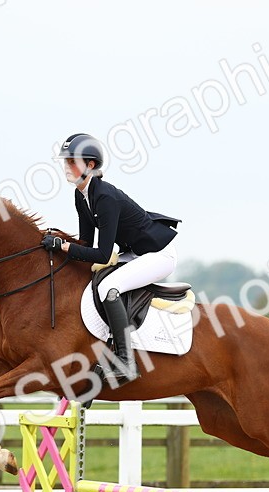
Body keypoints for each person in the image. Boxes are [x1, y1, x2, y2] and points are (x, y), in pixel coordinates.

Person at [41, 132, 179, 385]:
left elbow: (103, 255)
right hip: (133, 253)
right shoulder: (81, 195)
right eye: (65, 162)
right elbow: (86, 245)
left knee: (109, 287)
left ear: (90, 165)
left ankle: (126, 361)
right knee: (93, 282)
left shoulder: (104, 197)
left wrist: (63, 246)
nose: (66, 167)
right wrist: (57, 247)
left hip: (158, 255)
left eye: (72, 161)